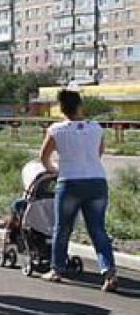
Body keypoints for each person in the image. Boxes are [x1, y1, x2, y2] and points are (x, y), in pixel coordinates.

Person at [40, 89, 117, 292]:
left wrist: (55, 170)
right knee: (98, 230)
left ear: (62, 109)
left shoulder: (56, 130)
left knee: (62, 228)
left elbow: (44, 157)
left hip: (70, 182)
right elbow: (98, 153)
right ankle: (109, 272)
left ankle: (57, 269)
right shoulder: (96, 128)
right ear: (80, 106)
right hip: (97, 181)